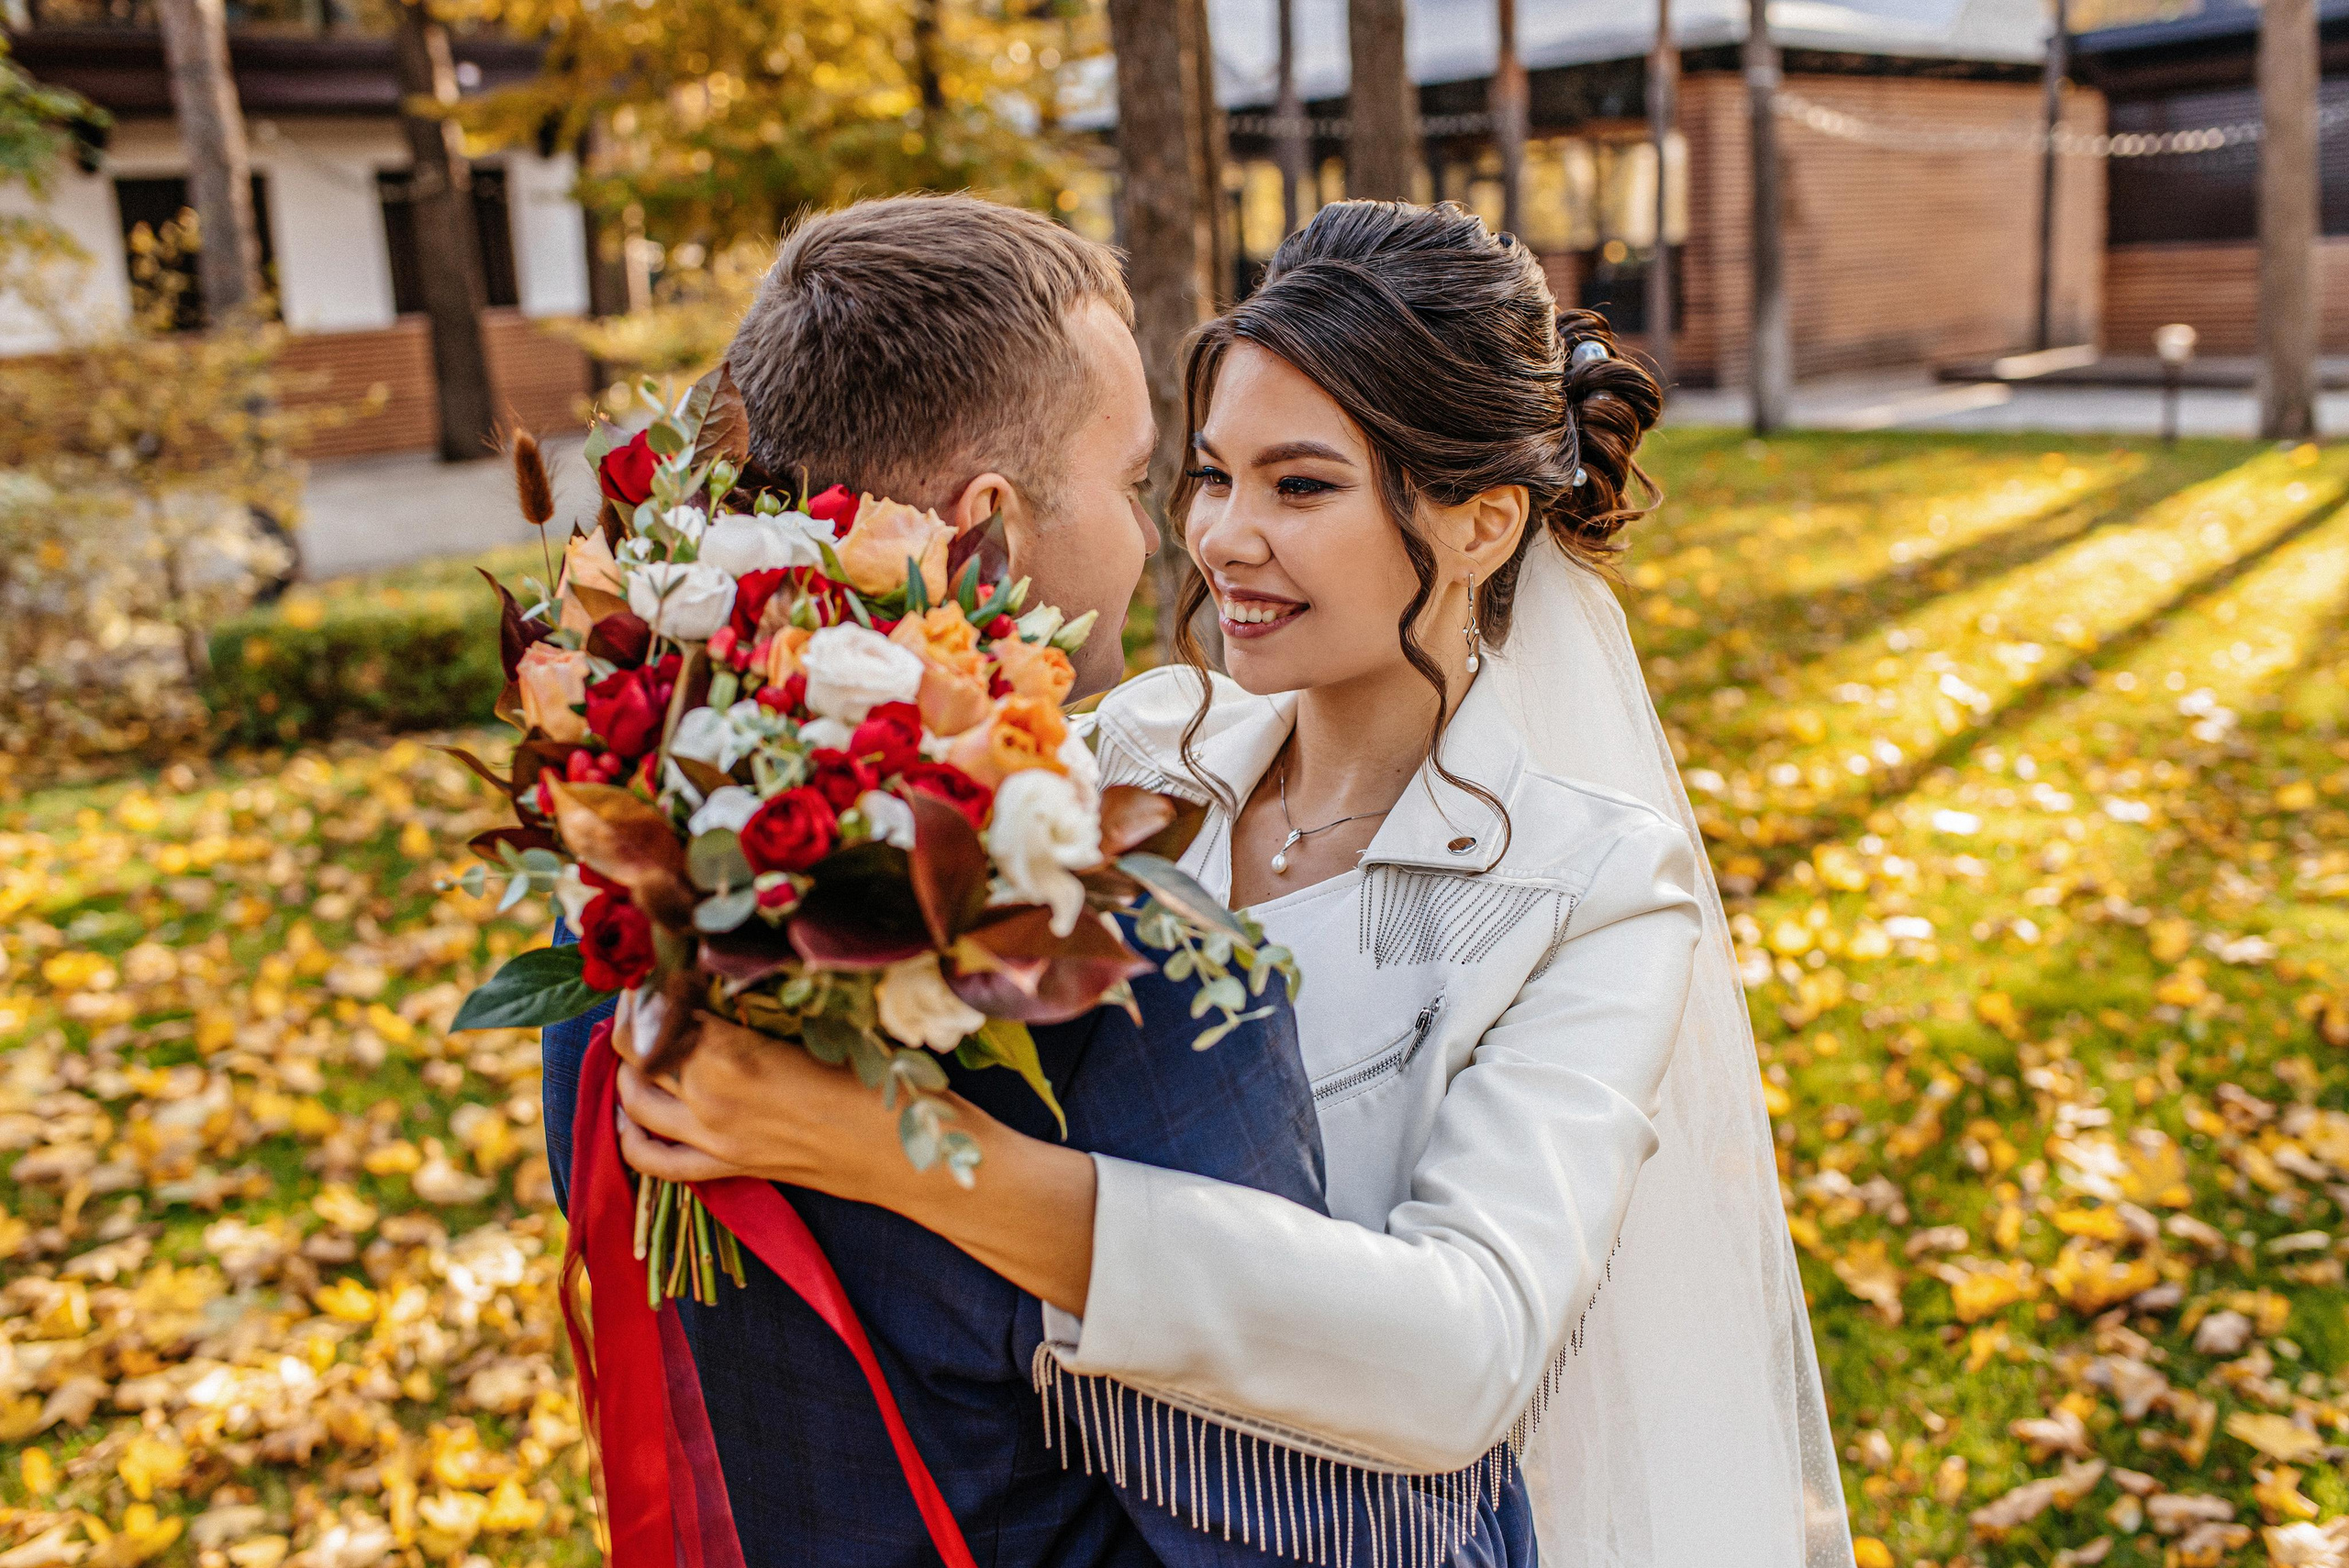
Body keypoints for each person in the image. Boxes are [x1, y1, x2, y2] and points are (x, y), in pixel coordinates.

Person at [619, 200, 1853, 1566]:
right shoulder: (1125, 743)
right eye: (1210, 474)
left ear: (1485, 524)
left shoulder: (1597, 889)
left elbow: (1468, 1348)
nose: (1222, 536)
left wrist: (907, 1161)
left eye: (1301, 486)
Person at [541, 194, 1330, 1567]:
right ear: (987, 529)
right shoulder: (1119, 965)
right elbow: (1277, 1506)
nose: (1168, 539)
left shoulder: (617, 888)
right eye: (1137, 481)